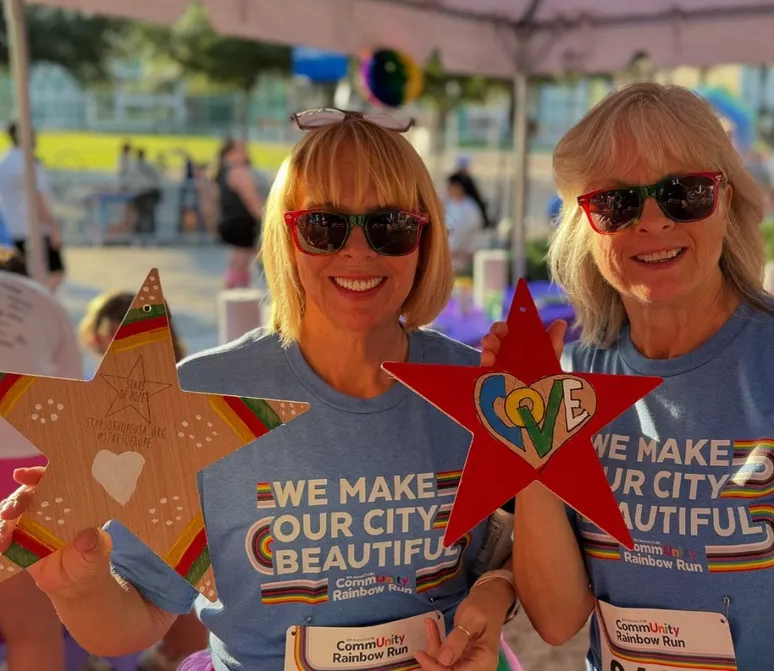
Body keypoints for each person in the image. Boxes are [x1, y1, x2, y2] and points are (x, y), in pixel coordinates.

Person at [0, 110, 518, 671]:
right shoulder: (197, 397)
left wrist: (498, 587)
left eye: (390, 226)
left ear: (426, 239)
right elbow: (137, 618)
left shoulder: (479, 391)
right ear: (286, 236)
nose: (358, 251)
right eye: (324, 226)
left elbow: (529, 556)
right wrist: (77, 585)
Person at [481, 83, 774, 671]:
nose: (652, 221)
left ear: (726, 202)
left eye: (684, 193)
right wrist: (532, 436)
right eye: (617, 204)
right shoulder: (575, 377)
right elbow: (556, 620)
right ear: (583, 226)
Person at [77, 291, 207, 671]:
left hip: (167, 517)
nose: (114, 342)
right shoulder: (90, 391)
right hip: (132, 521)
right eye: (109, 333)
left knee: (178, 615)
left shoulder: (181, 382)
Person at [0, 247, 83, 671]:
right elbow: (72, 398)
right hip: (23, 468)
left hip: (22, 466)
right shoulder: (40, 300)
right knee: (31, 627)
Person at [0, 123, 65, 291]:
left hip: (12, 229)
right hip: (35, 230)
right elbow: (38, 198)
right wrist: (53, 227)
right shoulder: (29, 163)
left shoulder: (5, 161)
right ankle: (39, 306)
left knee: (22, 276)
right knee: (55, 271)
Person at [215, 139, 264, 288]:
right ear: (230, 153)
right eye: (241, 150)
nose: (245, 154)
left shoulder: (223, 171)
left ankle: (232, 296)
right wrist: (265, 217)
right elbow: (250, 197)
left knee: (236, 262)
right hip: (242, 223)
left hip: (230, 221)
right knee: (241, 263)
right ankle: (237, 298)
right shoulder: (239, 171)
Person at [443, 176, 484, 275]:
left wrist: (458, 248)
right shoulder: (449, 205)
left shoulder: (470, 206)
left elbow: (470, 230)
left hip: (465, 253)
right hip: (450, 253)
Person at [448, 156, 490, 229]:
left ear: (459, 188)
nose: (448, 189)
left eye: (451, 187)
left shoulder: (470, 207)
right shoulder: (450, 203)